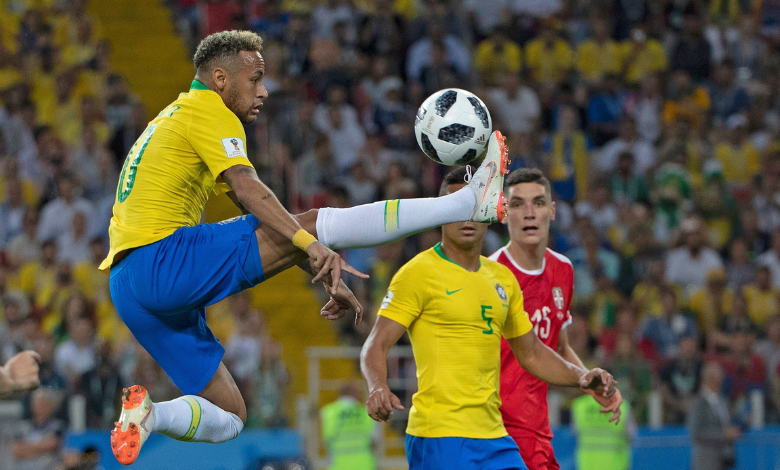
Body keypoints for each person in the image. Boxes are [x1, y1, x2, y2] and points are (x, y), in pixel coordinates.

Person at [107, 30, 511, 465]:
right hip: (160, 260)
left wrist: (313, 263)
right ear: (220, 78)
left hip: (128, 287)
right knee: (317, 221)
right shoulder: (209, 111)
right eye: (255, 78)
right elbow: (249, 190)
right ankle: (467, 201)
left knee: (231, 415)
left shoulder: (174, 117)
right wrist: (311, 243)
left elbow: (267, 231)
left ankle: (150, 415)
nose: (263, 91)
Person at [360, 167, 616, 470]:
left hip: (495, 437)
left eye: (476, 208)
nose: (467, 219)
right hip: (440, 436)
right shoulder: (418, 273)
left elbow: (532, 353)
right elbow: (375, 345)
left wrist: (581, 377)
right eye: (457, 208)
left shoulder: (502, 279)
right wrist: (378, 386)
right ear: (440, 213)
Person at [489, 168, 622, 470]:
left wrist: (591, 383)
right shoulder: (490, 274)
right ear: (505, 212)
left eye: (538, 203)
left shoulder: (563, 269)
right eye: (518, 204)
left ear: (551, 211)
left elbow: (559, 347)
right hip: (496, 431)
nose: (529, 213)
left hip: (538, 430)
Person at [688, 362, 740, 470]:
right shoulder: (699, 403)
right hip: (706, 462)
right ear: (710, 378)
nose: (723, 380)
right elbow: (696, 432)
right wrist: (723, 433)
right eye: (720, 377)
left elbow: (729, 422)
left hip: (724, 460)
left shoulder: (723, 401)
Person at [320, 382, 377, 470]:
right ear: (356, 394)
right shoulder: (366, 413)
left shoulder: (328, 412)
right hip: (364, 465)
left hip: (339, 465)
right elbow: (374, 440)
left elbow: (327, 438)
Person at [571, 394, 634, 470]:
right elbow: (632, 435)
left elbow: (574, 431)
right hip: (615, 464)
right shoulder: (622, 405)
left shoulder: (580, 405)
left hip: (587, 464)